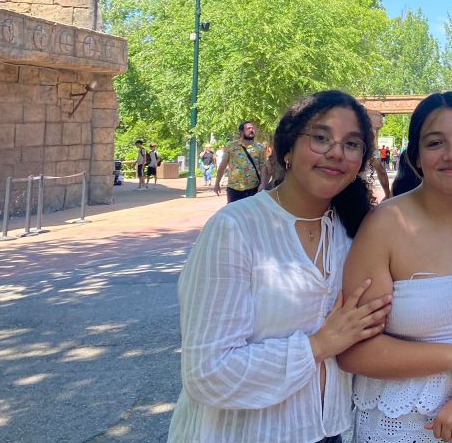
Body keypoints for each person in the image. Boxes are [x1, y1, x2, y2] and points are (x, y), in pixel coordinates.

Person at [167, 90, 392, 443]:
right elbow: (206, 373)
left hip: (329, 431)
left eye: (351, 144)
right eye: (321, 137)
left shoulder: (354, 232)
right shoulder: (235, 228)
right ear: (287, 149)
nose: (336, 152)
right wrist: (318, 345)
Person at [340, 92, 452, 443]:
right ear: (415, 156)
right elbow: (352, 349)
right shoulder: (385, 225)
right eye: (435, 143)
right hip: (398, 427)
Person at [214, 121, 269, 202]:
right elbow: (223, 165)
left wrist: (263, 183)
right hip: (234, 188)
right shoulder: (231, 146)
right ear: (241, 132)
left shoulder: (259, 148)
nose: (251, 130)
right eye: (248, 128)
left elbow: (263, 167)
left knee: (251, 210)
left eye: (253, 128)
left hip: (253, 188)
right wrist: (217, 183)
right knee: (234, 210)